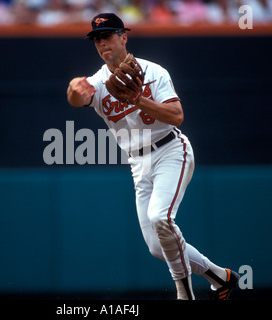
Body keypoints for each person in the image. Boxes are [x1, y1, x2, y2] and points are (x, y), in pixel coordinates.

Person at [66, 12, 240, 300]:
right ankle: (221, 277)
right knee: (158, 247)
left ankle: (184, 293)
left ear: (124, 37)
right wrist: (74, 88)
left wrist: (138, 100)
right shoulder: (97, 82)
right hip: (138, 163)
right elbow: (78, 98)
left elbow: (177, 116)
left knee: (161, 218)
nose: (102, 43)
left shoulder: (154, 71)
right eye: (96, 39)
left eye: (107, 36)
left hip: (170, 150)